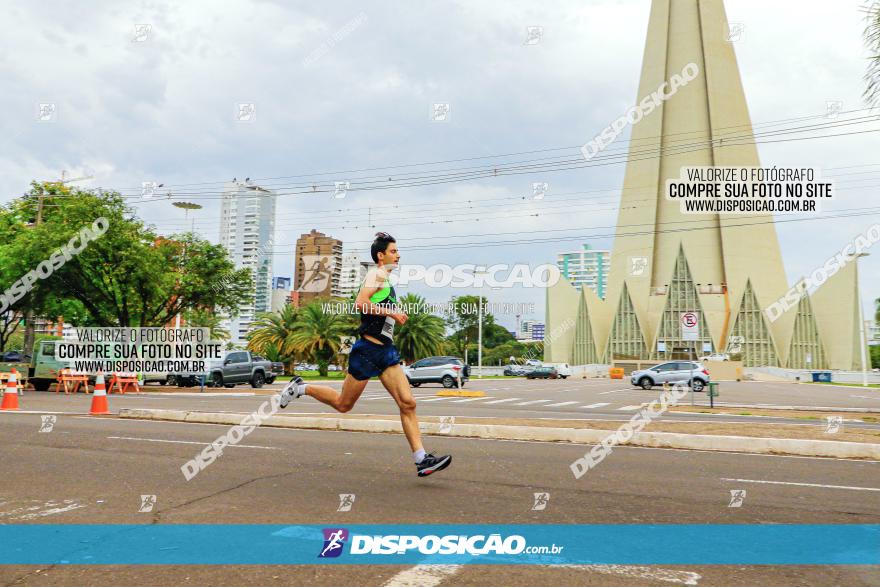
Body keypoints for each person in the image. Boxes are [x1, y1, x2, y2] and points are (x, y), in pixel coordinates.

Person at [278, 232, 452, 477]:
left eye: (397, 251)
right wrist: (390, 313)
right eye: (393, 251)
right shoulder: (376, 274)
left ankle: (421, 459)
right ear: (381, 256)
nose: (398, 255)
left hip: (386, 352)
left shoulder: (387, 281)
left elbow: (376, 308)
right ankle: (300, 387)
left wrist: (392, 312)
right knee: (343, 404)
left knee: (408, 403)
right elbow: (360, 303)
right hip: (368, 351)